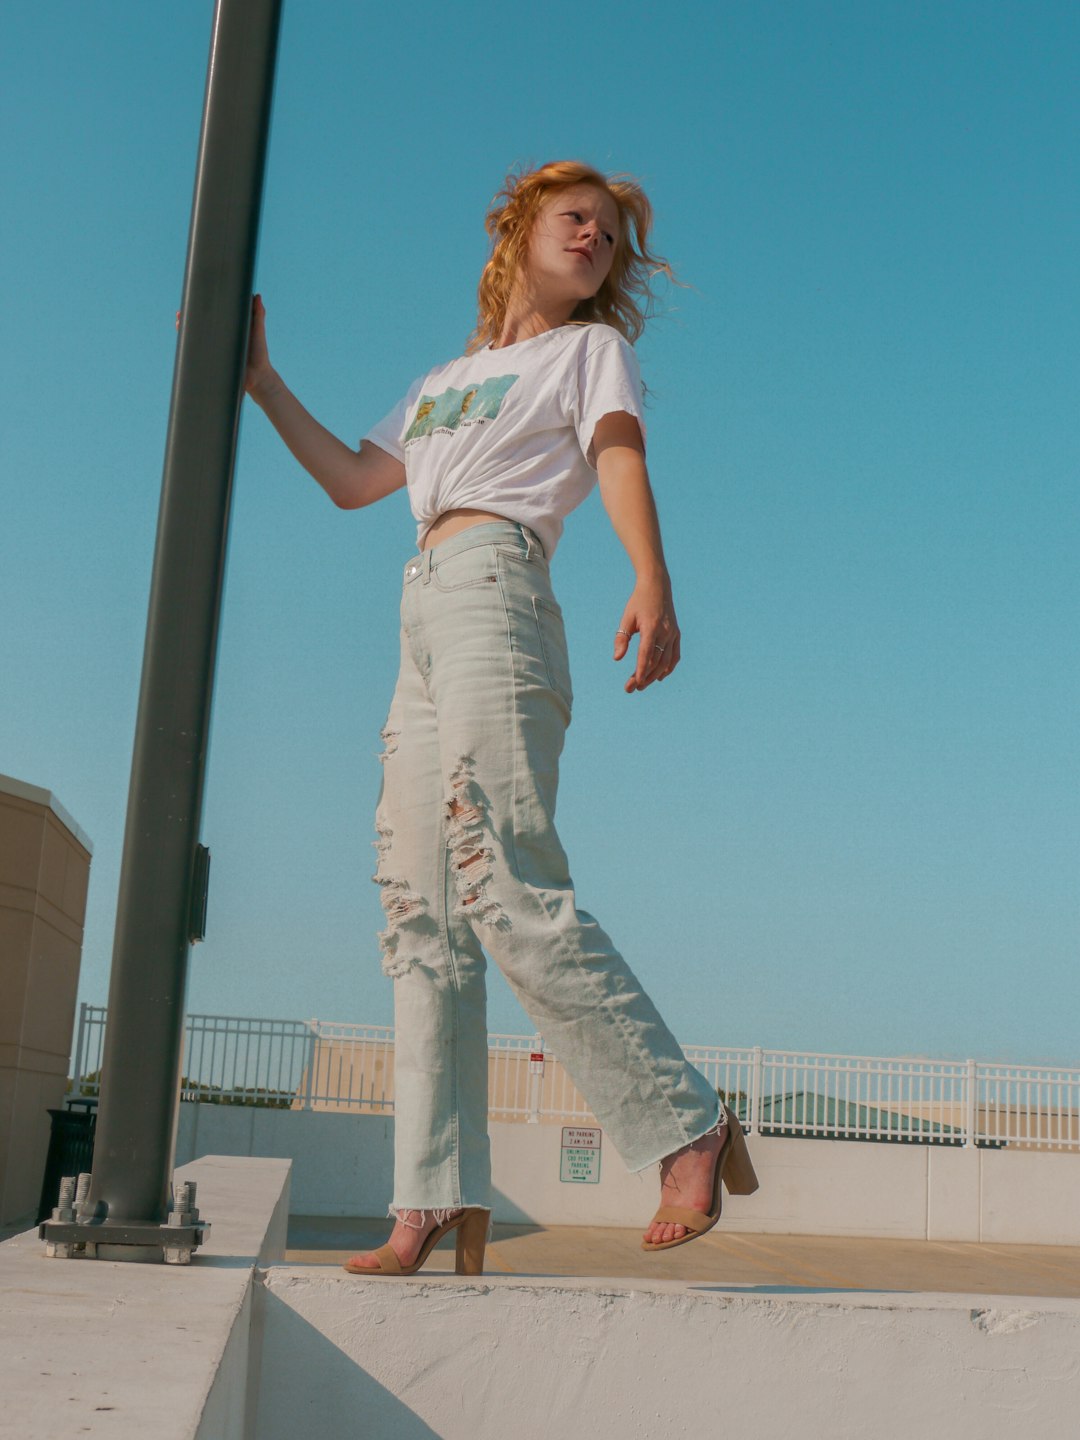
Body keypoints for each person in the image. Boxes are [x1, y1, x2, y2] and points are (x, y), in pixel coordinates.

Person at [245, 159, 758, 1277]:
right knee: (418, 917)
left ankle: (685, 1123)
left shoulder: (589, 352)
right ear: (522, 227)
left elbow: (618, 451)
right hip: (419, 609)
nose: (595, 241)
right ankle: (431, 1200)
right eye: (578, 220)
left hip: (498, 589)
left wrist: (651, 577)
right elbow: (349, 481)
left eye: (613, 238)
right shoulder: (443, 380)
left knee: (506, 881)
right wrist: (265, 386)